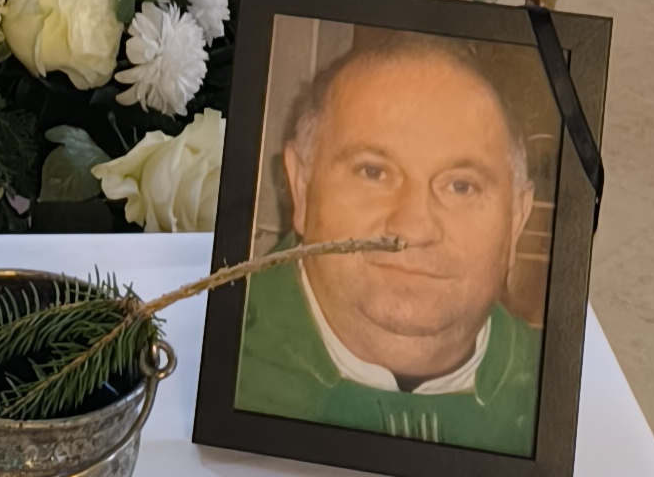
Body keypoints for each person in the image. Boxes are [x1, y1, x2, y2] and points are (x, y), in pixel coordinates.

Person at [231, 32, 544, 453]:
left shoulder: (558, 398)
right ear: (302, 185)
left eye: (461, 186)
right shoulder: (214, 358)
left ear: (517, 219)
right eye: (374, 173)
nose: (413, 229)